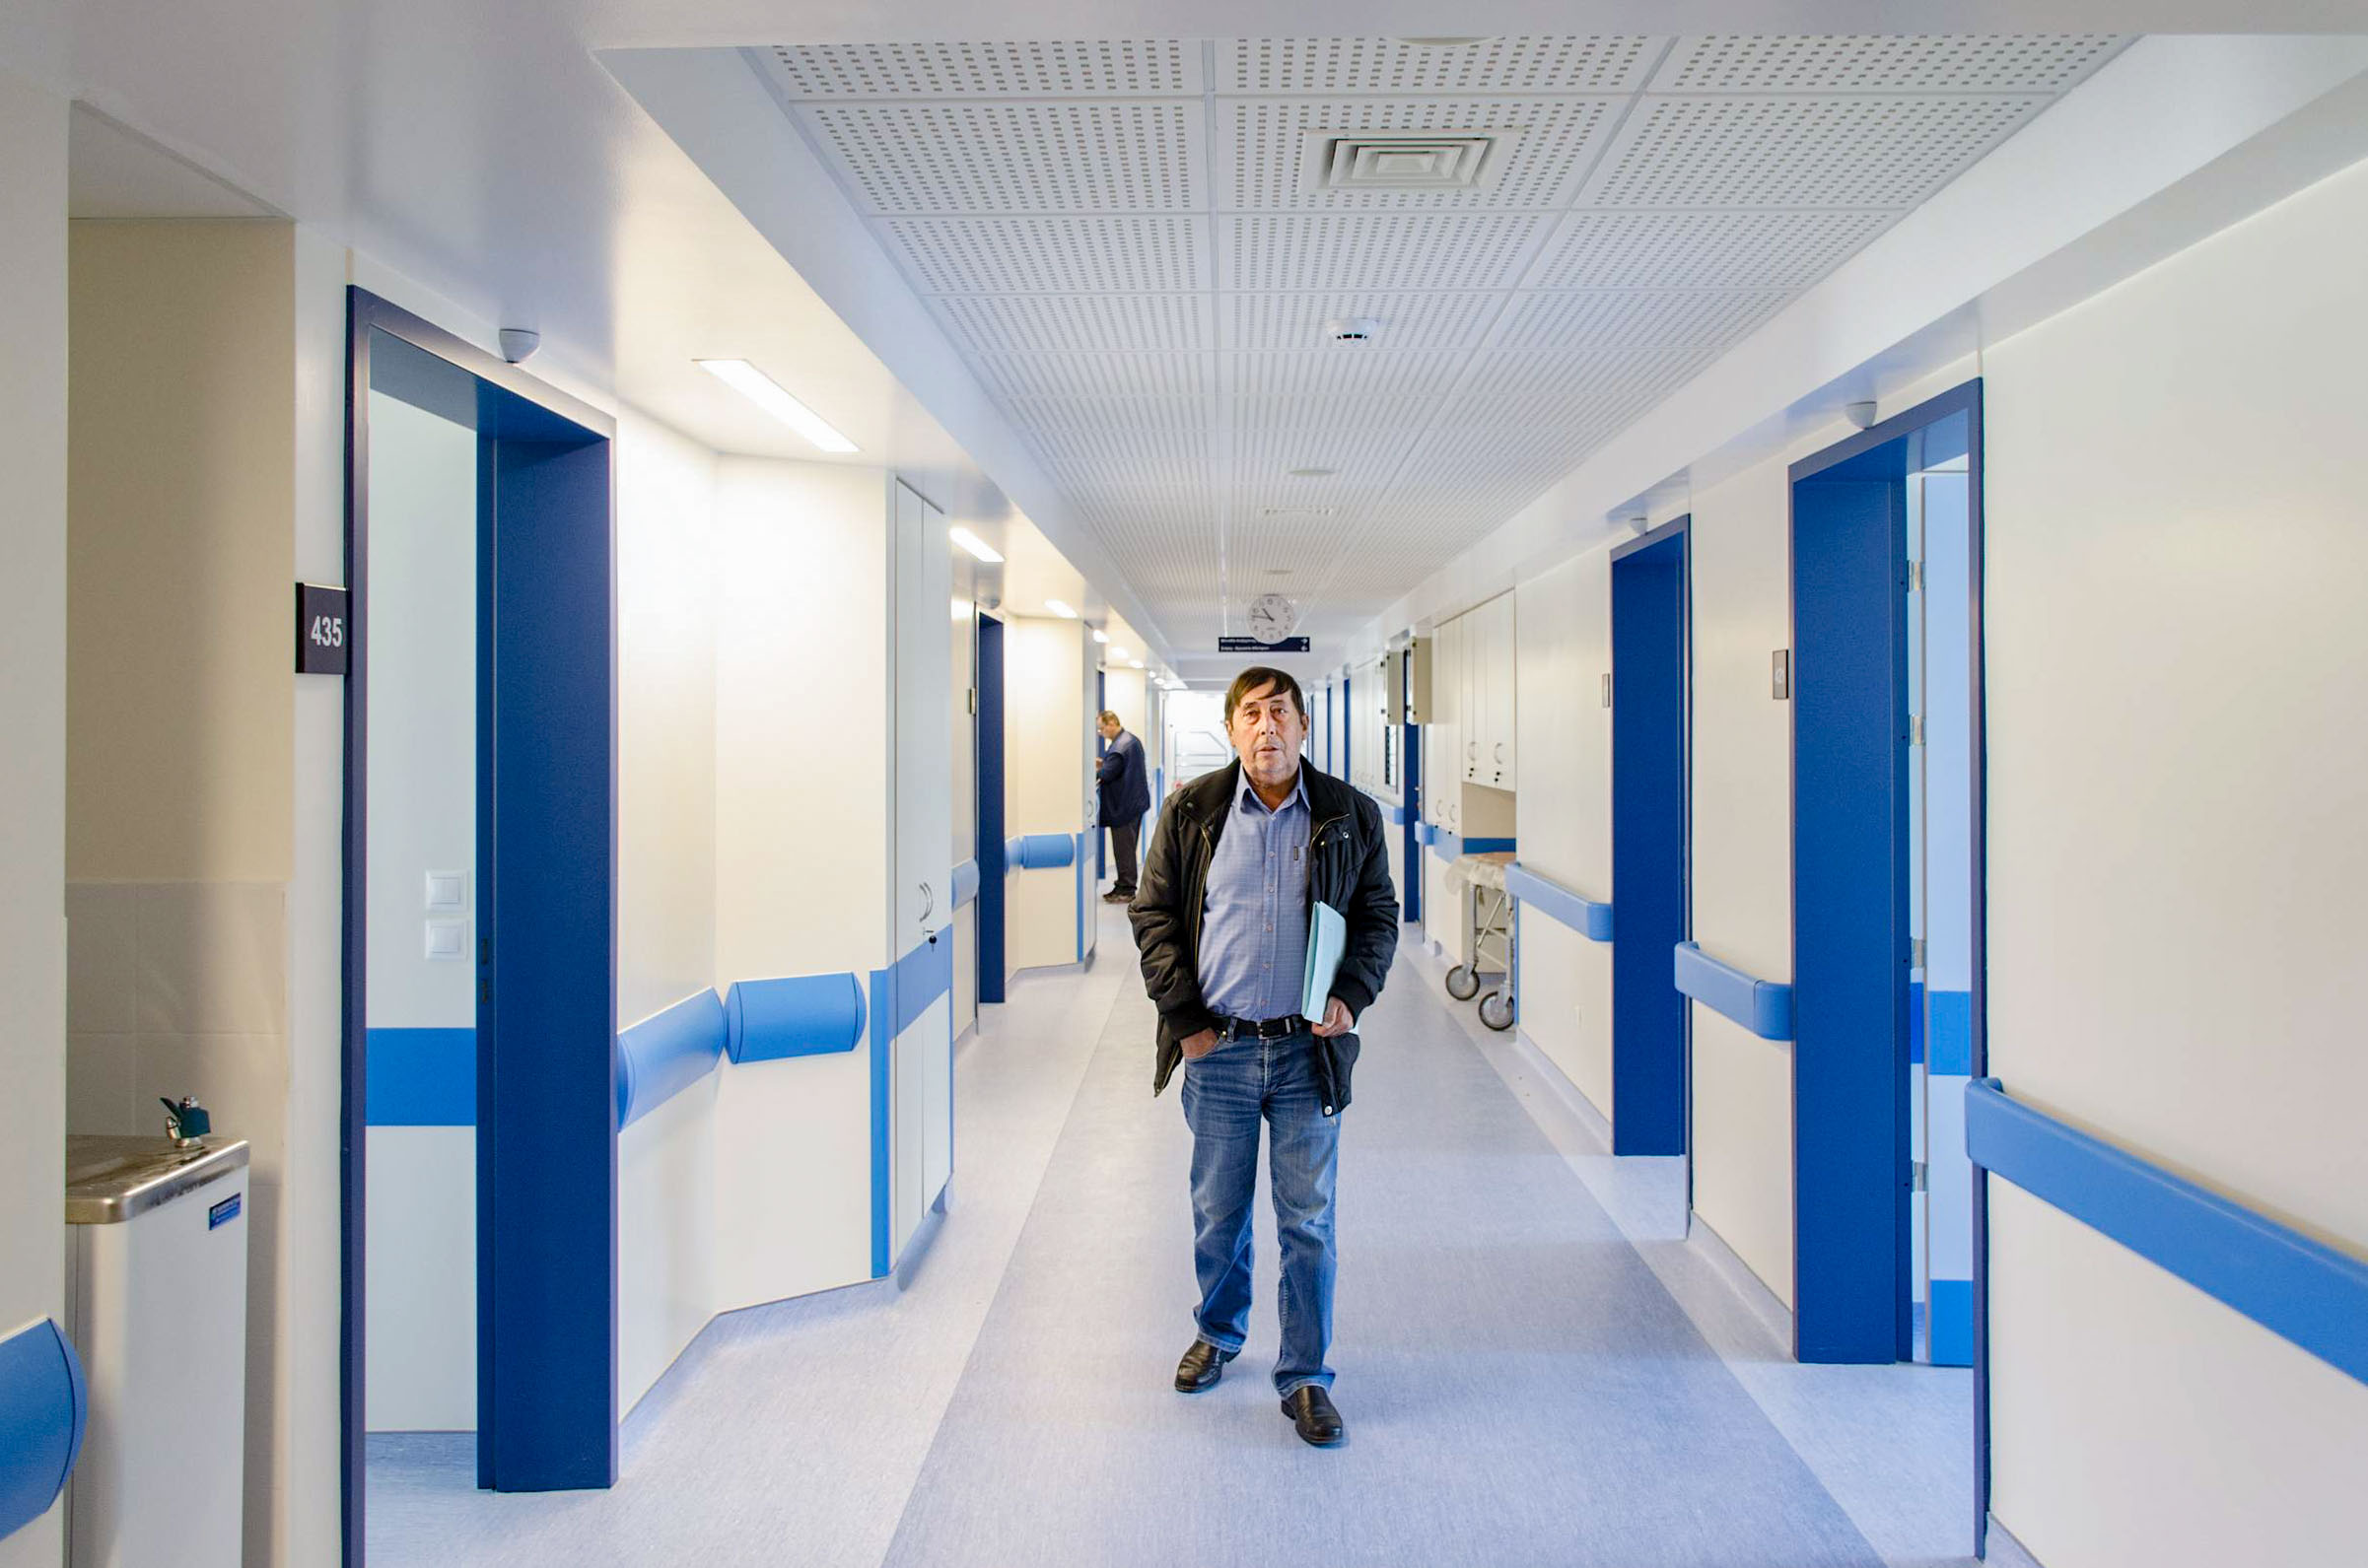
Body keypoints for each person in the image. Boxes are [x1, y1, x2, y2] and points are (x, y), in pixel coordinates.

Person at [1125, 666, 1399, 1448]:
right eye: (1251, 713)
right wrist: (1186, 1020)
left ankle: (1306, 1374)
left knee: (1308, 1220)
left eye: (1280, 711)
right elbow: (1153, 915)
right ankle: (1218, 1331)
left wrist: (1353, 992)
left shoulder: (1349, 813)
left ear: (1303, 725)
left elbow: (1378, 914)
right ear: (1232, 729)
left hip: (1309, 1053)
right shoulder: (1192, 811)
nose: (1266, 726)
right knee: (1219, 1210)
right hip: (1219, 1051)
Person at [1096, 710, 1150, 903]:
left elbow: (1107, 774)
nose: (1101, 733)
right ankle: (1122, 885)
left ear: (1112, 723)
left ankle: (1126, 889)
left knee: (1124, 850)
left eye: (1102, 728)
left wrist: (1097, 769)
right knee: (1126, 848)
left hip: (1124, 807)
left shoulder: (1120, 746)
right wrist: (1104, 763)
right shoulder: (1129, 741)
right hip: (1133, 803)